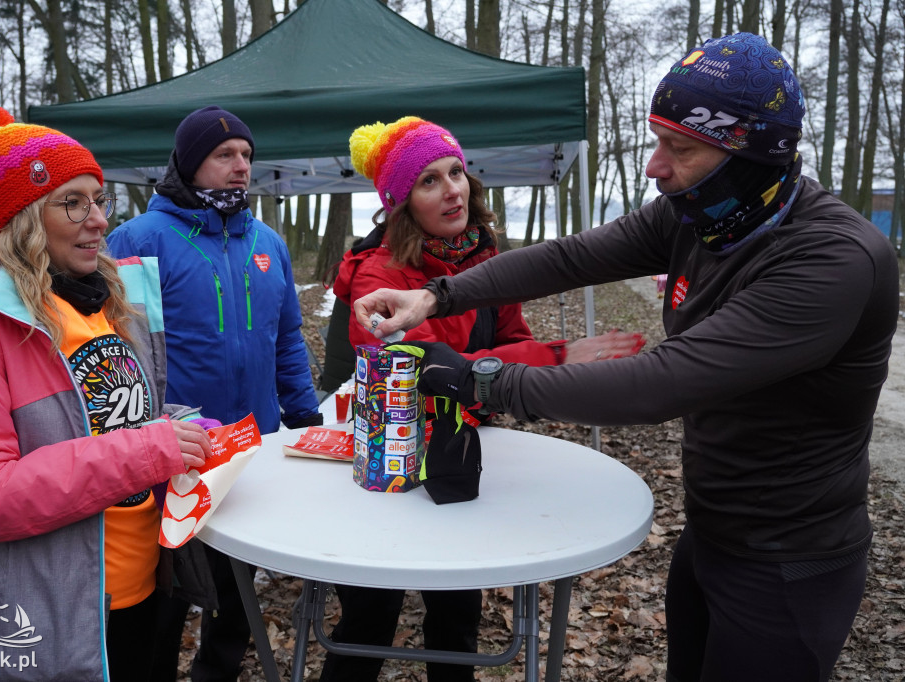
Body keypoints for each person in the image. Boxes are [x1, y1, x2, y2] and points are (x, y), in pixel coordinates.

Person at [355, 34, 899, 682]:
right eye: (656, 139)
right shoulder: (703, 216)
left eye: (682, 149)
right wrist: (437, 294)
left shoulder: (832, 260)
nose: (653, 167)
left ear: (752, 159)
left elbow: (661, 384)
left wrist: (482, 378)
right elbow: (571, 258)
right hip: (710, 533)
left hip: (789, 561)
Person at [0, 100, 217, 681]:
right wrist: (148, 450)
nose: (98, 219)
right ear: (20, 219)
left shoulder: (106, 298)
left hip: (144, 590)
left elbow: (104, 417)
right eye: (72, 202)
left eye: (100, 199)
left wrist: (183, 429)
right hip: (45, 619)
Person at [319, 116, 645, 682]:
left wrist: (528, 360)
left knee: (457, 615)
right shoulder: (380, 276)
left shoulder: (485, 255)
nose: (452, 189)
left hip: (463, 451)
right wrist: (557, 357)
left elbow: (509, 339)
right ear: (400, 203)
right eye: (429, 181)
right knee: (369, 619)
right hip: (392, 463)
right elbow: (424, 374)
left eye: (456, 172)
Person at [106, 105, 323, 682]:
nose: (240, 166)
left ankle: (216, 673)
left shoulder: (268, 243)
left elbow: (287, 339)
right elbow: (122, 351)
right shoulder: (137, 239)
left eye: (247, 155)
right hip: (172, 452)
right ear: (189, 162)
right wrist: (140, 436)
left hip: (253, 447)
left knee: (236, 587)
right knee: (168, 591)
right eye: (224, 155)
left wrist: (302, 415)